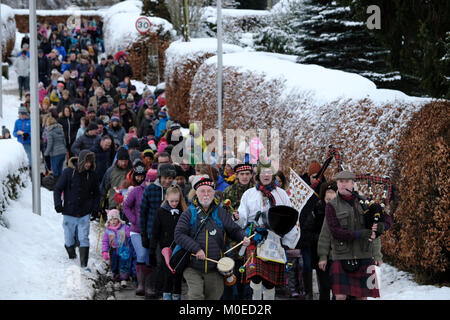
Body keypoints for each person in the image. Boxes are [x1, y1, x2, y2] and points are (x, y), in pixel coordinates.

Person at [317, 171, 391, 300]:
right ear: (337, 184)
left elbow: (385, 220)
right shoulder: (331, 206)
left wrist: (382, 227)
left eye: (346, 181)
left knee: (363, 296)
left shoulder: (366, 203)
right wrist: (323, 255)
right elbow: (331, 231)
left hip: (364, 253)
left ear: (352, 184)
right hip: (341, 255)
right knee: (340, 296)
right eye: (340, 182)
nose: (343, 184)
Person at [174, 176, 250, 300]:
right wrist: (196, 249)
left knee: (213, 297)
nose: (206, 194)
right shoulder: (189, 213)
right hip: (192, 266)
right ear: (197, 193)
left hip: (215, 268)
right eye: (202, 191)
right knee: (196, 296)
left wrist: (243, 237)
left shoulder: (220, 212)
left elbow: (234, 230)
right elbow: (179, 235)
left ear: (213, 193)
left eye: (209, 191)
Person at [235, 161, 300, 300]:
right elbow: (242, 217)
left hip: (274, 239)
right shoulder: (249, 194)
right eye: (263, 172)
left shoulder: (281, 194)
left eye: (269, 172)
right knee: (256, 277)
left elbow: (290, 218)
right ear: (258, 175)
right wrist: (237, 217)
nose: (266, 175)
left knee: (270, 282)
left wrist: (288, 240)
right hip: (255, 237)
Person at [53, 150, 100, 270]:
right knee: (69, 238)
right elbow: (58, 188)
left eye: (90, 162)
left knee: (83, 237)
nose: (88, 165)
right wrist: (58, 204)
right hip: (69, 211)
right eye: (86, 162)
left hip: (84, 212)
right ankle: (71, 254)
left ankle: (84, 265)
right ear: (81, 161)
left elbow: (96, 194)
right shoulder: (68, 173)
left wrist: (95, 208)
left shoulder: (92, 175)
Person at [139, 163, 177, 299]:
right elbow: (142, 213)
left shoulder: (176, 190)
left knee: (170, 263)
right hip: (153, 233)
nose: (167, 181)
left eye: (170, 178)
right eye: (165, 178)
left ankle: (167, 290)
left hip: (172, 234)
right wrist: (143, 234)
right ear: (160, 177)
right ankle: (155, 289)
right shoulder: (151, 190)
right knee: (158, 262)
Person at [221, 163, 255, 300]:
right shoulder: (228, 191)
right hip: (232, 239)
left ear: (252, 175)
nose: (245, 177)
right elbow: (222, 215)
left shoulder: (256, 191)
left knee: (250, 271)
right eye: (242, 174)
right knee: (233, 272)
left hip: (252, 237)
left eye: (247, 174)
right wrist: (232, 217)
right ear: (237, 175)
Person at [150, 185, 187, 300]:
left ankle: (177, 294)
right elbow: (155, 231)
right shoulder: (161, 212)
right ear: (166, 198)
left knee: (177, 272)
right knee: (167, 272)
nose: (174, 203)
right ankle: (166, 294)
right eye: (172, 201)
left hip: (179, 247)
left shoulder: (183, 212)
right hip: (165, 246)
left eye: (176, 201)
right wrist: (152, 248)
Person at [297, 160, 326, 299]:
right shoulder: (302, 191)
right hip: (306, 237)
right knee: (307, 266)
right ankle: (308, 292)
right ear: (309, 176)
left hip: (320, 237)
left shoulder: (325, 189)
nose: (316, 179)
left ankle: (323, 293)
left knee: (322, 268)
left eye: (318, 176)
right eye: (313, 176)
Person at [313, 180, 337, 300]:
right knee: (324, 286)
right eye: (327, 200)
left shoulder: (340, 210)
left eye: (333, 192)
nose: (330, 202)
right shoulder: (316, 210)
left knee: (337, 288)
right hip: (320, 252)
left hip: (336, 254)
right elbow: (310, 230)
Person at [102, 209, 132, 289]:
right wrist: (104, 251)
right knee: (114, 264)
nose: (113, 221)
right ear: (109, 221)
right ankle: (116, 280)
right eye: (111, 220)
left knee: (124, 264)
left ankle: (124, 279)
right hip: (114, 250)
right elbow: (105, 241)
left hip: (124, 249)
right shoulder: (108, 231)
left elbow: (130, 235)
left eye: (115, 219)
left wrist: (128, 233)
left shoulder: (124, 227)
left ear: (118, 219)